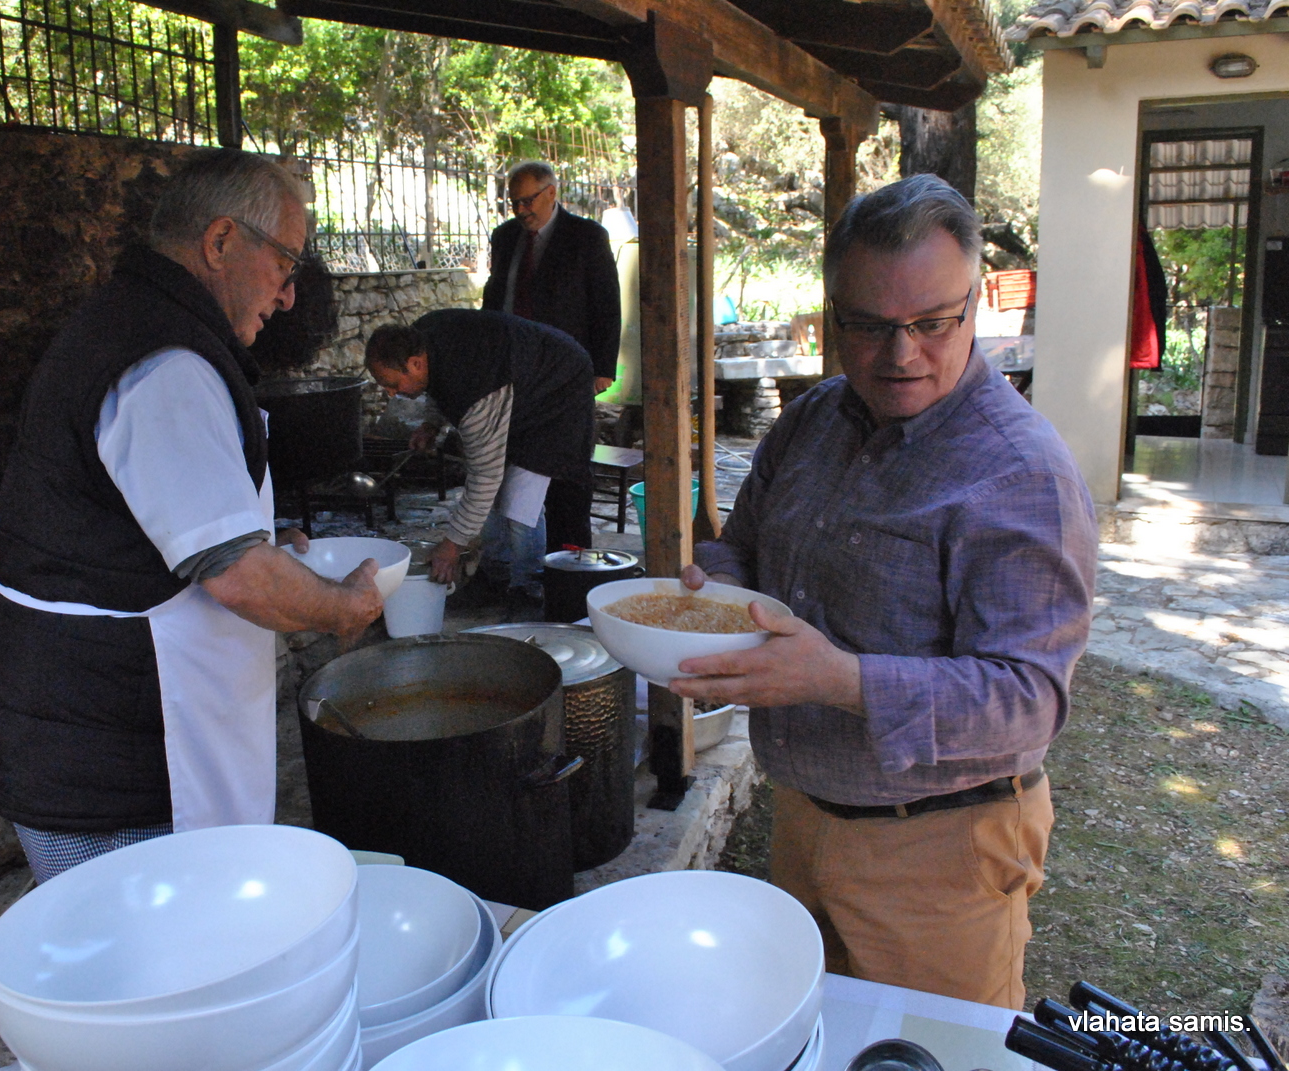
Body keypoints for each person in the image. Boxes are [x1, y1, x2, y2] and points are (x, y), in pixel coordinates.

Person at [672, 174, 1097, 1010]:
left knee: (935, 1056)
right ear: (834, 313)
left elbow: (1029, 700)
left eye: (932, 322)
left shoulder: (1021, 472)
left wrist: (840, 678)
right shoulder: (813, 419)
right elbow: (739, 546)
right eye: (868, 326)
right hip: (804, 817)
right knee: (811, 1039)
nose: (900, 354)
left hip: (943, 847)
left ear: (974, 305)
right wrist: (718, 597)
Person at [0, 149, 384, 883]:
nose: (288, 295)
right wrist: (342, 607)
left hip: (93, 731)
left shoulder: (135, 324)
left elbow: (147, 522)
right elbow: (240, 578)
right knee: (139, 944)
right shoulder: (164, 365)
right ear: (220, 242)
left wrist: (261, 537)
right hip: (107, 755)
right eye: (285, 262)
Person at [364, 310, 595, 607]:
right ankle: (495, 575)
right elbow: (436, 386)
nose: (390, 394)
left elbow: (485, 477)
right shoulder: (420, 338)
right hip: (519, 374)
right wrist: (432, 424)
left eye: (393, 384)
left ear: (415, 364)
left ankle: (528, 586)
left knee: (519, 500)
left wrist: (452, 545)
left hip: (559, 385)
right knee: (495, 497)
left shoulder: (475, 390)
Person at [482, 161, 622, 552]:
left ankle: (571, 557)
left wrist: (602, 368)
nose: (521, 210)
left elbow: (607, 304)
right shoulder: (505, 237)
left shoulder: (586, 236)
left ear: (551, 193)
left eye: (528, 201)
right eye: (514, 203)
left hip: (567, 369)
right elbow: (495, 297)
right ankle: (515, 559)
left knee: (567, 466)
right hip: (516, 368)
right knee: (516, 464)